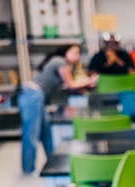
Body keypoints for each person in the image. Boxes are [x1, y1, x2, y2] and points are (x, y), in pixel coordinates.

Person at [18, 44, 96, 174]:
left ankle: (54, 163)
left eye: (78, 53)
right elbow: (71, 84)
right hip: (32, 96)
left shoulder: (61, 64)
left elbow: (68, 86)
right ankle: (28, 169)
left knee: (46, 133)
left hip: (37, 98)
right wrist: (89, 81)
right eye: (74, 53)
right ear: (65, 53)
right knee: (31, 134)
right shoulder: (60, 62)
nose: (77, 56)